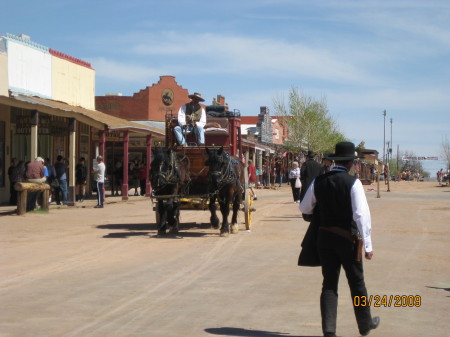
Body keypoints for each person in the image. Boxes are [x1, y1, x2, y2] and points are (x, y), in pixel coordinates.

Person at [300, 142, 380, 337]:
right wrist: (368, 245)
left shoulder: (319, 181)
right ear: (352, 163)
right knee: (357, 282)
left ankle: (329, 331)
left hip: (324, 238)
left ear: (335, 161)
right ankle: (365, 324)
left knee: (329, 283)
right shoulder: (354, 183)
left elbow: (304, 208)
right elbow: (361, 215)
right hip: (348, 240)